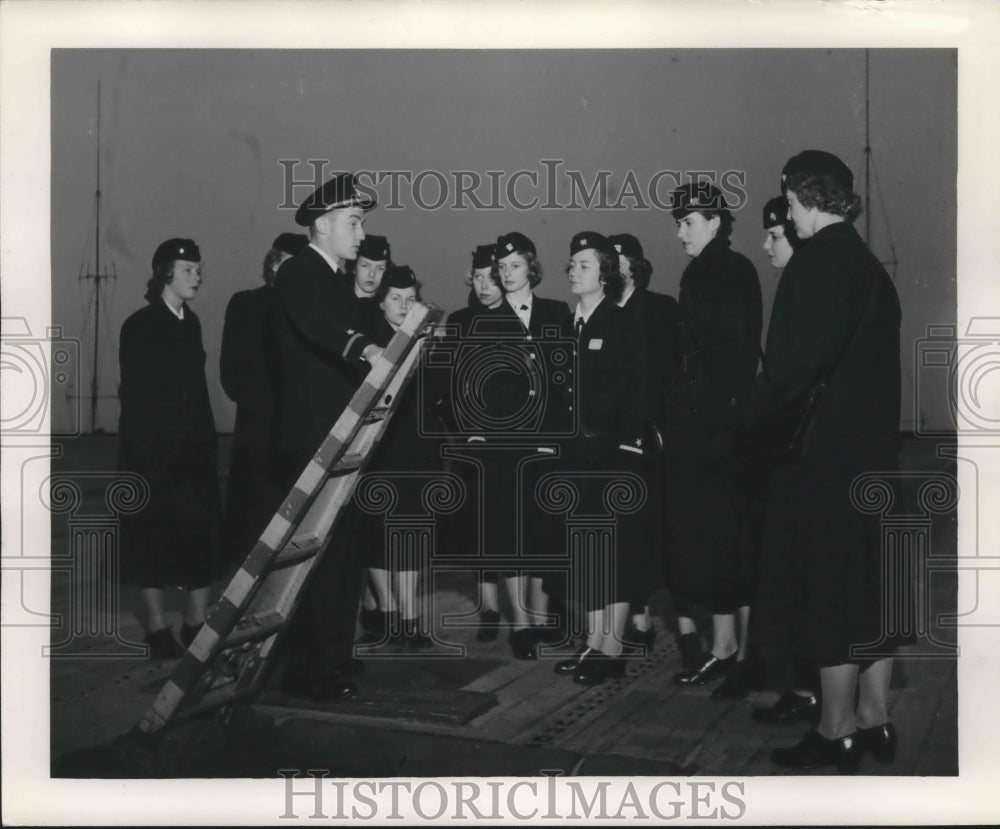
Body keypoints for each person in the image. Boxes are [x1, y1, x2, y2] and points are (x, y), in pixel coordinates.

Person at [744, 151, 904, 772]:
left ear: (798, 198)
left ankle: (834, 728)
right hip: (873, 457)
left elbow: (790, 372)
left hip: (820, 461)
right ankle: (875, 719)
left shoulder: (815, 264)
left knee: (827, 590)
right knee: (871, 591)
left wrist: (748, 430)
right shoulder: (869, 267)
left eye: (786, 203)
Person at [269, 172, 385, 702]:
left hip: (340, 441)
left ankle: (333, 660)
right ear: (323, 224)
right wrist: (362, 348)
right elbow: (318, 324)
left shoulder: (333, 277)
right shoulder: (300, 274)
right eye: (354, 222)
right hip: (313, 443)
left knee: (341, 555)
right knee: (316, 563)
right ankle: (310, 671)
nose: (361, 233)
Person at [666, 182, 763, 699]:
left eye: (688, 221)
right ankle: (725, 649)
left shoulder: (731, 270)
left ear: (716, 222)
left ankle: (746, 657)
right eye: (678, 222)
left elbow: (730, 359)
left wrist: (708, 423)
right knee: (716, 545)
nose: (680, 230)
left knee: (735, 543)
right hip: (704, 431)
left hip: (722, 432)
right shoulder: (701, 271)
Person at [552, 231, 650, 686]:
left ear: (606, 274)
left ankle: (612, 646)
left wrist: (629, 445)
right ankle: (594, 640)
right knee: (588, 550)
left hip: (613, 455)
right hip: (577, 456)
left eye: (584, 264)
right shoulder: (572, 325)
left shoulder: (621, 322)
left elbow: (637, 392)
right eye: (572, 263)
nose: (574, 270)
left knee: (618, 550)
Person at [118, 238, 222, 659]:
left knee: (201, 535)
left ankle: (197, 623)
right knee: (152, 540)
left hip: (195, 454)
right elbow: (138, 398)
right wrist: (151, 455)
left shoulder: (191, 322)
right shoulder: (139, 326)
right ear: (165, 273)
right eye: (187, 270)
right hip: (153, 456)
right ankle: (158, 629)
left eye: (198, 269)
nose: (196, 277)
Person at [746, 196, 821, 726]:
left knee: (802, 574)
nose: (769, 244)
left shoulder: (807, 289)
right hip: (793, 457)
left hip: (804, 459)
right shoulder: (798, 289)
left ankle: (811, 690)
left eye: (776, 235)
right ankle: (802, 683)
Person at [493, 231, 574, 660]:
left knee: (545, 531)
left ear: (532, 268)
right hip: (506, 444)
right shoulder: (484, 318)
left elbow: (567, 379)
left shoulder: (557, 313)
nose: (507, 274)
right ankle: (520, 625)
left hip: (548, 441)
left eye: (515, 266)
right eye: (502, 268)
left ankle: (543, 621)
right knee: (511, 534)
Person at [607, 233, 685, 656]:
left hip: (650, 444)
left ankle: (654, 621)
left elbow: (675, 374)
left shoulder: (660, 310)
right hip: (609, 443)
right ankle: (634, 620)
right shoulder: (598, 312)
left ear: (635, 266)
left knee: (647, 533)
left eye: (619, 263)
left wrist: (661, 430)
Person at [355, 265, 437, 648]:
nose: (404, 305)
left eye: (410, 298)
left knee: (413, 536)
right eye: (395, 298)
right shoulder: (371, 343)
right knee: (378, 535)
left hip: (417, 452)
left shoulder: (426, 338)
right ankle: (388, 614)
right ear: (381, 301)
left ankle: (410, 617)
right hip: (379, 451)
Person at [220, 232, 308, 568]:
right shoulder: (246, 303)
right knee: (250, 530)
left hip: (297, 436)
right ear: (271, 264)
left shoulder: (309, 308)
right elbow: (231, 373)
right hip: (258, 436)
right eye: (287, 265)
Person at [444, 244, 507, 642]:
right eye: (478, 277)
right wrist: (464, 428)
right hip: (474, 445)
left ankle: (532, 610)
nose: (485, 285)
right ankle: (489, 608)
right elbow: (449, 384)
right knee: (481, 532)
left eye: (492, 277)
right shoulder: (460, 321)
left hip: (517, 443)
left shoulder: (523, 318)